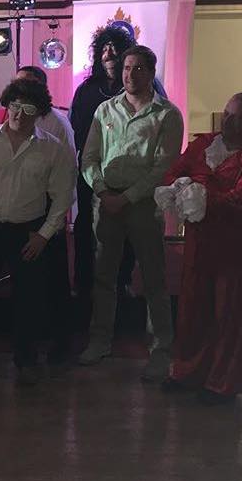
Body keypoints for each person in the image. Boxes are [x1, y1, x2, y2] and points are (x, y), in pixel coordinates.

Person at [0, 78, 77, 385]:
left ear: (40, 113)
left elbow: (63, 195)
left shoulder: (53, 148)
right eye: (14, 106)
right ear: (7, 105)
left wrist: (44, 234)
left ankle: (26, 359)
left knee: (29, 299)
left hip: (28, 232)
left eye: (28, 109)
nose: (19, 114)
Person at [159, 92, 242, 405]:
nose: (227, 120)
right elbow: (175, 171)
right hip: (200, 241)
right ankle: (187, 373)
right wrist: (178, 188)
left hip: (236, 245)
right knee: (192, 309)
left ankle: (222, 383)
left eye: (237, 117)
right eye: (226, 113)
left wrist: (202, 197)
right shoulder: (204, 144)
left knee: (229, 314)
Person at [78, 45, 183, 382]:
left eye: (138, 68)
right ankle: (99, 341)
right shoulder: (105, 110)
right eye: (126, 68)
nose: (130, 74)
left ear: (151, 72)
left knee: (153, 279)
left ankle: (160, 351)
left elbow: (163, 167)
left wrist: (127, 198)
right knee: (103, 277)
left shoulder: (167, 114)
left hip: (143, 205)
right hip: (106, 202)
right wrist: (102, 191)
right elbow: (89, 158)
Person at [69, 27, 136, 303]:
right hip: (90, 170)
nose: (109, 53)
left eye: (115, 47)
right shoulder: (86, 89)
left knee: (126, 230)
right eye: (104, 48)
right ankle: (83, 282)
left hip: (127, 172)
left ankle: (122, 281)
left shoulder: (143, 87)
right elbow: (75, 127)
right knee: (85, 227)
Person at [15, 65, 76, 362]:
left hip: (49, 213)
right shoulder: (14, 118)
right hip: (22, 211)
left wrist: (57, 218)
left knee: (54, 280)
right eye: (17, 85)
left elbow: (68, 172)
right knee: (30, 282)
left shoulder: (58, 124)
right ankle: (32, 337)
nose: (22, 91)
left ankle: (61, 341)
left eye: (28, 85)